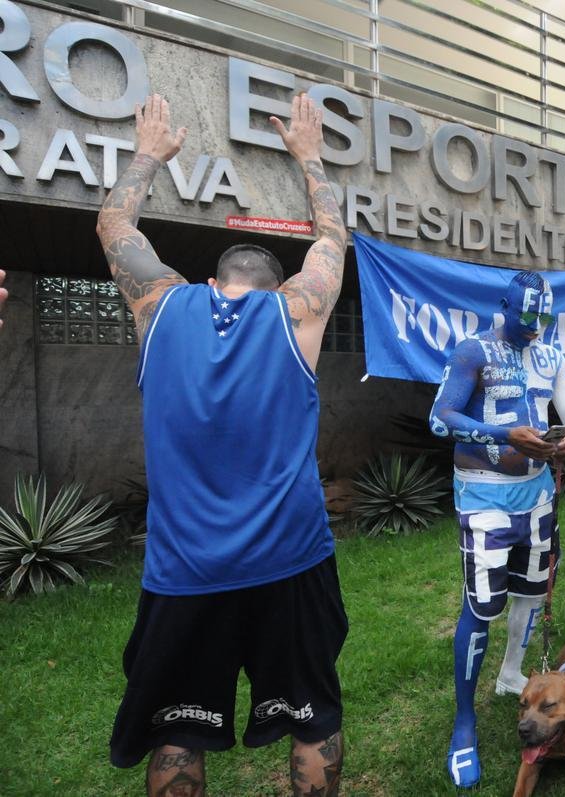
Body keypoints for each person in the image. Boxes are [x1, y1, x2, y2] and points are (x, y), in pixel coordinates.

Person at [103, 94, 349, 795]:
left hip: (185, 574)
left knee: (175, 732)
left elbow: (114, 222)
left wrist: (150, 151)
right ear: (279, 288)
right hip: (292, 562)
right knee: (312, 718)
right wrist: (309, 156)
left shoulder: (162, 307)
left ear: (212, 283)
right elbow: (331, 241)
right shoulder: (299, 314)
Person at [428, 269, 565, 789]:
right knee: (481, 606)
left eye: (542, 321)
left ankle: (512, 672)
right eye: (525, 318)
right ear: (505, 305)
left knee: (531, 592)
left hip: (537, 494)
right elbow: (440, 416)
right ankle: (464, 723)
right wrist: (501, 432)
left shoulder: (549, 354)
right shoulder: (474, 350)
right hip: (484, 494)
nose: (534, 329)